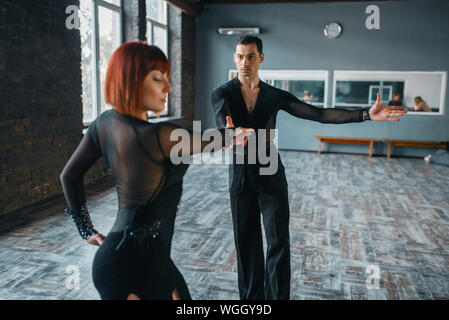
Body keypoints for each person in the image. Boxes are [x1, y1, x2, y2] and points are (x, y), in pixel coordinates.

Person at [211, 35, 407, 300]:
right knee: (247, 247)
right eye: (240, 56)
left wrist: (366, 114)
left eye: (251, 56)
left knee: (279, 245)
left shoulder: (274, 95)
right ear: (235, 58)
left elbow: (320, 114)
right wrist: (229, 129)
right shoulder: (223, 92)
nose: (245, 62)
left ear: (261, 58)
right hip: (241, 180)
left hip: (271, 177)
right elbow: (222, 116)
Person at [59, 42, 253, 300]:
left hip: (133, 258)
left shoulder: (103, 123)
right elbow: (207, 140)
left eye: (167, 78)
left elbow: (68, 177)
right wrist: (235, 134)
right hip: (134, 265)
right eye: (157, 79)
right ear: (132, 80)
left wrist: (86, 230)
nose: (168, 88)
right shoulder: (159, 135)